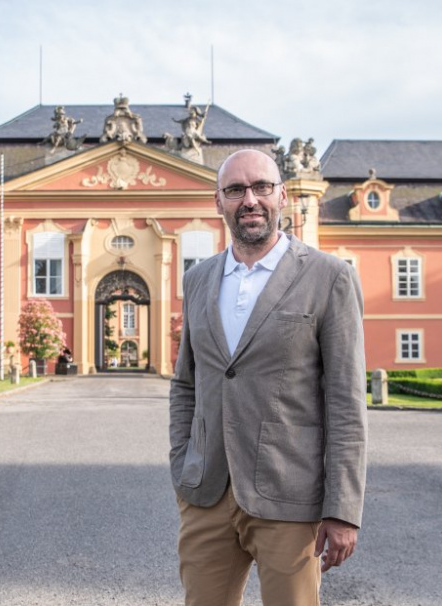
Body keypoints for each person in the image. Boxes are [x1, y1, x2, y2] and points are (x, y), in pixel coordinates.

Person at [169, 149, 367, 605]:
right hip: (208, 494)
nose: (250, 200)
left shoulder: (329, 276)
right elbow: (186, 383)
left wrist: (343, 509)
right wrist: (183, 462)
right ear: (218, 202)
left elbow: (345, 401)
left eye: (261, 187)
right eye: (235, 190)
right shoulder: (198, 279)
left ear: (282, 195)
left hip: (291, 496)